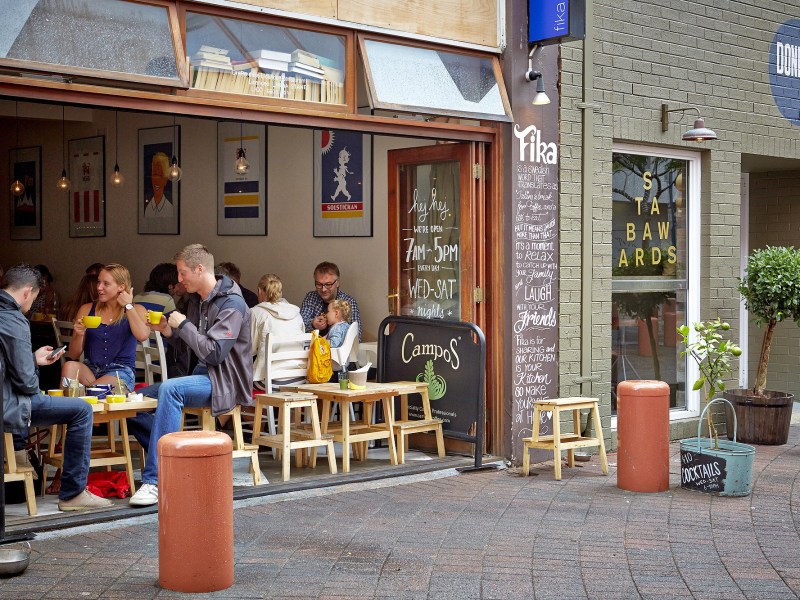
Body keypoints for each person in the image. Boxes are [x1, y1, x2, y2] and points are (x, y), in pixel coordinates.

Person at [127, 244, 252, 507]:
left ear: (199, 269)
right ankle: (178, 456)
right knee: (132, 400)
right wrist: (168, 331)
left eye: (183, 273)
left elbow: (214, 353)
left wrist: (182, 325)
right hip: (199, 375)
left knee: (170, 389)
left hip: (223, 381)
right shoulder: (197, 300)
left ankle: (155, 481)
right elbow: (191, 346)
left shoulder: (232, 304)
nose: (179, 280)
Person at [0, 264, 112, 511]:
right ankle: (73, 493)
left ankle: (19, 452)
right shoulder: (14, 319)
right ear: (28, 292)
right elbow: (26, 383)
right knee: (81, 409)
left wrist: (31, 358)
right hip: (9, 404)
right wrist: (32, 371)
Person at [61, 264, 150, 394]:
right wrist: (79, 334)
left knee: (94, 391)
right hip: (90, 370)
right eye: (98, 282)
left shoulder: (137, 309)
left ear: (121, 287)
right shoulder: (86, 309)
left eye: (106, 284)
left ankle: (81, 404)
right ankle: (63, 409)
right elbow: (74, 355)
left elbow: (142, 335)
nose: (99, 287)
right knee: (69, 367)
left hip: (120, 373)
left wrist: (128, 306)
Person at [251, 274, 304, 387]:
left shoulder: (256, 312)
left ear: (259, 291)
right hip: (299, 379)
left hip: (269, 382)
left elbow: (249, 350)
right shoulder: (296, 313)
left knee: (235, 383)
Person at [300, 261, 361, 340]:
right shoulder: (311, 297)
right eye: (319, 284)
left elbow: (356, 337)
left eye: (328, 284)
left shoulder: (348, 302)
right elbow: (299, 326)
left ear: (337, 283)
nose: (323, 289)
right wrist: (312, 324)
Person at [143, 152, 174, 220]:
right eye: (154, 175)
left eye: (160, 176)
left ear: (165, 180)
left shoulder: (169, 209)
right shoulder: (148, 208)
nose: (156, 180)